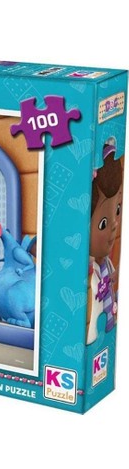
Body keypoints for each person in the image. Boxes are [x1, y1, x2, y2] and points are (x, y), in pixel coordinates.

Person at [87, 144, 123, 344]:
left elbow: (111, 281)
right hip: (93, 336)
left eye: (117, 210)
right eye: (103, 223)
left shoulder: (106, 263)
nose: (115, 224)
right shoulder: (88, 270)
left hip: (108, 333)